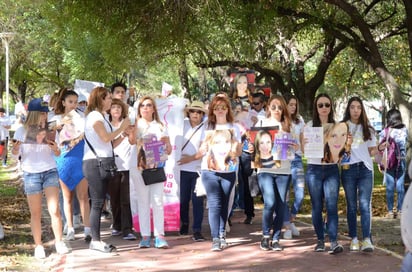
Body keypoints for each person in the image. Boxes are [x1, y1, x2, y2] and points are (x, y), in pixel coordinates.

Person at [11, 98, 70, 259]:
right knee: (35, 212)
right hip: (30, 173)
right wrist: (16, 148)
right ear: (34, 114)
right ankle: (38, 245)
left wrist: (56, 148)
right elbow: (15, 156)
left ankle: (59, 242)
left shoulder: (51, 130)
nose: (45, 116)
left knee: (54, 209)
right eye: (42, 113)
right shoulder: (21, 131)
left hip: (49, 170)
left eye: (46, 113)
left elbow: (57, 154)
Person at [82, 87, 130, 253]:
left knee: (99, 201)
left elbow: (109, 144)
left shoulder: (102, 117)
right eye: (108, 98)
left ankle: (97, 239)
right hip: (95, 163)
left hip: (104, 161)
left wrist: (123, 135)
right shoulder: (95, 116)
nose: (111, 101)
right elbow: (105, 137)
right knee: (97, 203)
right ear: (99, 99)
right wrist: (123, 127)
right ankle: (95, 240)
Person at [129, 95, 172, 249]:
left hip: (156, 167)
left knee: (158, 201)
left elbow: (169, 147)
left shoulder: (160, 126)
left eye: (148, 105)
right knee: (143, 201)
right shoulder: (135, 124)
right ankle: (145, 236)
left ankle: (160, 236)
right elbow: (132, 141)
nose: (145, 108)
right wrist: (133, 129)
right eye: (142, 105)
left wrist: (166, 147)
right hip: (138, 167)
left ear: (154, 108)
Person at [200, 95, 242, 251]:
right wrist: (203, 147)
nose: (220, 110)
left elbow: (237, 153)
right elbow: (201, 147)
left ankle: (222, 233)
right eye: (216, 107)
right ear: (212, 110)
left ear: (227, 109)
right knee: (214, 204)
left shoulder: (234, 127)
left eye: (223, 107)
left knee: (225, 204)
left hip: (228, 170)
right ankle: (215, 238)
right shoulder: (206, 126)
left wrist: (238, 147)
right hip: (209, 170)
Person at [254, 94, 295, 251]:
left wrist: (295, 146)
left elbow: (295, 146)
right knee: (270, 202)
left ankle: (276, 238)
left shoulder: (288, 125)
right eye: (273, 107)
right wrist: (251, 148)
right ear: (268, 108)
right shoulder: (262, 123)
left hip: (284, 170)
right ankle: (265, 236)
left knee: (280, 205)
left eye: (279, 107)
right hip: (265, 169)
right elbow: (252, 144)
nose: (277, 110)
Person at [304, 93, 343, 254]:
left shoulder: (337, 126)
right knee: (317, 206)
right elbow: (303, 149)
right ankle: (320, 240)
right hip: (314, 168)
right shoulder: (309, 126)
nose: (324, 108)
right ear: (316, 107)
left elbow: (341, 149)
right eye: (321, 105)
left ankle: (333, 241)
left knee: (332, 206)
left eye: (327, 105)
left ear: (331, 107)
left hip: (332, 168)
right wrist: (304, 142)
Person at [50, 89, 91, 242]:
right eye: (70, 102)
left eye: (76, 102)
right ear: (63, 102)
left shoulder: (83, 118)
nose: (73, 105)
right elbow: (50, 138)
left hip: (80, 158)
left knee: (83, 196)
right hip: (63, 159)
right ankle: (70, 228)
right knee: (67, 197)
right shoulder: (56, 119)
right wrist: (58, 128)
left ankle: (88, 229)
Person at [340, 96, 377, 252]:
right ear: (348, 109)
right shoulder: (342, 127)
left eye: (359, 107)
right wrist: (345, 145)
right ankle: (354, 238)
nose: (356, 110)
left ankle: (367, 239)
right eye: (353, 107)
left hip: (365, 169)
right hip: (348, 169)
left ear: (362, 110)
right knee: (352, 206)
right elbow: (338, 151)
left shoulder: (368, 128)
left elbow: (371, 151)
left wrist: (380, 148)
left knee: (364, 205)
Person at [177, 101, 206, 241]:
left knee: (197, 200)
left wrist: (188, 159)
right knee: (182, 200)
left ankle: (197, 229)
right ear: (188, 112)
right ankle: (184, 223)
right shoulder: (181, 124)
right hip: (181, 169)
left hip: (198, 170)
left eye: (199, 112)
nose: (195, 114)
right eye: (193, 111)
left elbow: (203, 150)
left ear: (202, 114)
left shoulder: (206, 128)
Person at [107, 98, 136, 240]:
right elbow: (109, 144)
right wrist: (122, 133)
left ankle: (127, 229)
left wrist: (130, 131)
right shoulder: (105, 125)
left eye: (119, 107)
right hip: (112, 166)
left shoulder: (128, 124)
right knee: (114, 199)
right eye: (113, 107)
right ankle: (117, 224)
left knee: (125, 199)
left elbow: (133, 141)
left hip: (127, 166)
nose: (116, 110)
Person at [377, 108, 408, 219]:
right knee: (400, 187)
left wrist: (379, 163)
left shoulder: (385, 131)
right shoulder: (404, 130)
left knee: (390, 187)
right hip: (402, 160)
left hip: (389, 161)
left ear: (389, 119)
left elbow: (379, 148)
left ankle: (391, 211)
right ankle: (400, 211)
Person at [282, 94, 305, 239]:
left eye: (294, 104)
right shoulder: (279, 120)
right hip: (283, 160)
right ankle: (286, 226)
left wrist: (300, 147)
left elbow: (303, 141)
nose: (292, 107)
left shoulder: (300, 120)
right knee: (284, 195)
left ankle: (291, 220)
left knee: (300, 193)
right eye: (290, 104)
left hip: (296, 159)